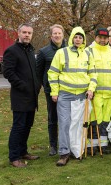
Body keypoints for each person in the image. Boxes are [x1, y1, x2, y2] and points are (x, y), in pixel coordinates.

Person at [48, 26, 97, 166]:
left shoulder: (88, 54)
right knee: (64, 124)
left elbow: (93, 74)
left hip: (82, 95)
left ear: (84, 39)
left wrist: (91, 89)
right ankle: (64, 153)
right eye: (76, 36)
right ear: (71, 38)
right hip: (65, 95)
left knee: (79, 124)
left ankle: (77, 150)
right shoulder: (61, 53)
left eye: (80, 37)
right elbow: (53, 74)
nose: (78, 39)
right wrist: (54, 92)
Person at [3, 23, 40, 168]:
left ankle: (23, 151)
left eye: (29, 33)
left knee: (27, 126)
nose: (27, 35)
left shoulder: (30, 50)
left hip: (32, 96)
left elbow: (34, 71)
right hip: (20, 97)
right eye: (24, 32)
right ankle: (14, 157)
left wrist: (37, 85)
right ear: (18, 33)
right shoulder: (11, 51)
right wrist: (23, 86)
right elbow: (8, 72)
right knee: (18, 126)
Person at [88, 28, 111, 154]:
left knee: (106, 120)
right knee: (94, 120)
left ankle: (103, 145)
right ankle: (91, 146)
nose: (103, 40)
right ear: (95, 37)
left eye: (105, 38)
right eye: (100, 37)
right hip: (95, 93)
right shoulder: (88, 51)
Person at [36, 24, 66, 156]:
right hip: (51, 91)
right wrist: (45, 86)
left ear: (63, 35)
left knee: (66, 119)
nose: (57, 36)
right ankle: (53, 145)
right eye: (55, 33)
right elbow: (39, 72)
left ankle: (67, 143)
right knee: (53, 118)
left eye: (59, 33)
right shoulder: (44, 52)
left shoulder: (69, 50)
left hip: (67, 89)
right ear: (51, 35)